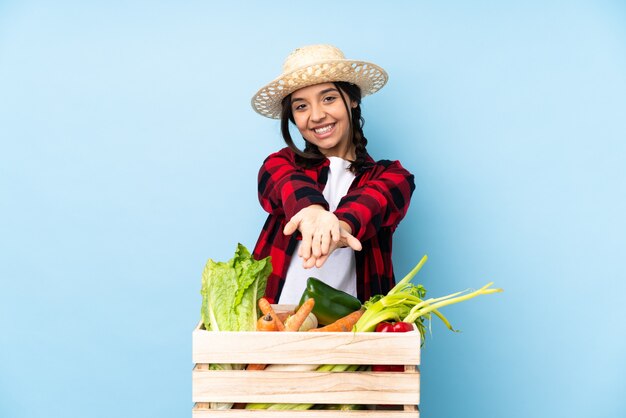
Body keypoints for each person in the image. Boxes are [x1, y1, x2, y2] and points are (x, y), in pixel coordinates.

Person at [251, 44, 415, 304]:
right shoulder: (281, 163)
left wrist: (338, 225)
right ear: (292, 117)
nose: (316, 116)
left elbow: (373, 200)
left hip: (357, 329)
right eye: (301, 106)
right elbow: (284, 182)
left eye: (328, 98)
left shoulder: (393, 175)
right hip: (273, 323)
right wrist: (311, 211)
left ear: (352, 99)